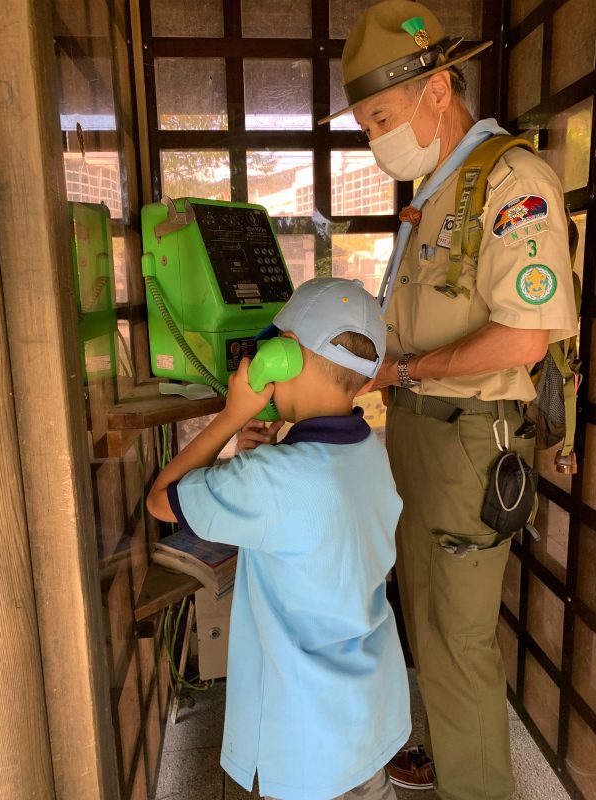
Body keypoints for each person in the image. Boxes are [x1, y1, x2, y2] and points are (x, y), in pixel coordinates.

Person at [315, 2, 579, 799]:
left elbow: (524, 339)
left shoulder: (511, 180)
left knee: (459, 638)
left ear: (437, 89)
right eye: (366, 126)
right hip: (422, 432)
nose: (376, 140)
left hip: (472, 440)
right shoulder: (439, 187)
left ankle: (480, 788)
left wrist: (406, 372)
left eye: (383, 118)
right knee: (426, 617)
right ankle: (448, 753)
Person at [147, 277, 411, 800]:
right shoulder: (369, 455)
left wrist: (232, 415)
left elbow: (162, 499)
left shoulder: (273, 479)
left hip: (307, 742)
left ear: (283, 355)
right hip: (369, 718)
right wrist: (257, 458)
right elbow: (301, 514)